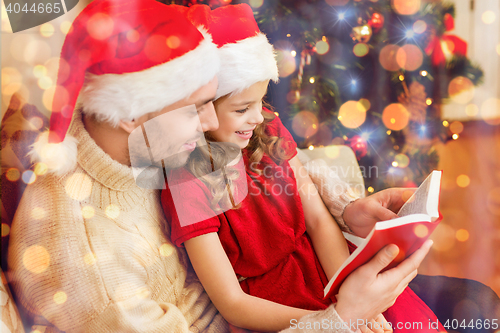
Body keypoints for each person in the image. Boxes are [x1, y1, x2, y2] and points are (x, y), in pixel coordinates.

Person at [5, 1, 437, 332]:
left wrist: (347, 212)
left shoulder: (145, 144)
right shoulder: (94, 271)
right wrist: (344, 317)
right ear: (130, 113)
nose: (212, 123)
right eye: (196, 109)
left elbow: (277, 174)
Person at [162, 4, 443, 333]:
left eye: (261, 102)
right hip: (273, 307)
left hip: (327, 269)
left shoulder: (267, 128)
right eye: (242, 109)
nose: (257, 117)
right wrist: (334, 320)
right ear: (201, 108)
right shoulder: (185, 180)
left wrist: (347, 297)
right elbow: (233, 304)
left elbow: (318, 220)